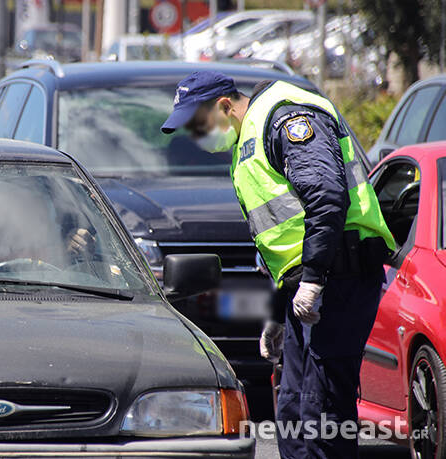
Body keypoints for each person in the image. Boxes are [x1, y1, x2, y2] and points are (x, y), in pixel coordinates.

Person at [161, 71, 396, 458]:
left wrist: (315, 281)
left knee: (321, 418)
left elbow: (326, 198)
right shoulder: (247, 138)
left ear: (224, 106)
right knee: (292, 415)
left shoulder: (285, 117)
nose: (194, 137)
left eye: (196, 125)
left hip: (340, 278)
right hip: (308, 287)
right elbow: (280, 237)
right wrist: (278, 308)